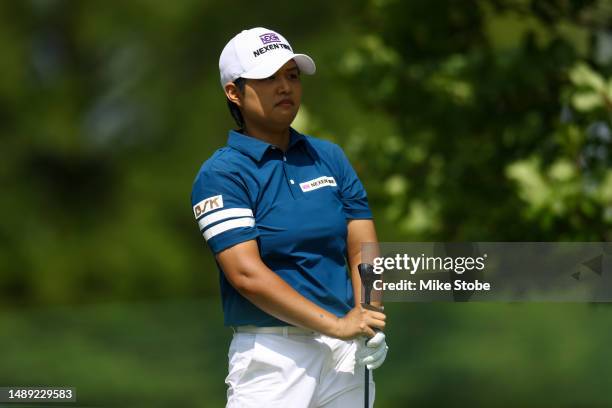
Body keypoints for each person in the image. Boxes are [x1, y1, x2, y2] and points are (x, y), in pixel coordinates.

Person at [191, 27, 389, 407]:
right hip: (272, 357)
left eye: (292, 76)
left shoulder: (329, 157)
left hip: (346, 355)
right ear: (234, 92)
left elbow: (362, 246)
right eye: (268, 78)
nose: (285, 87)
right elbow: (245, 274)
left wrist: (369, 313)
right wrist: (338, 324)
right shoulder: (222, 174)